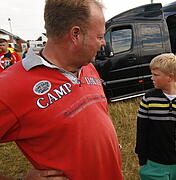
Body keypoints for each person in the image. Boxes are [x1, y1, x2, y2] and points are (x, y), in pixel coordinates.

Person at [0, 0, 123, 180]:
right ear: (75, 35)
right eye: (99, 37)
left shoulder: (88, 66)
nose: (103, 43)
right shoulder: (10, 86)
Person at [135, 53, 176, 180]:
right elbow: (141, 131)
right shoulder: (149, 99)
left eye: (156, 75)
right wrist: (142, 160)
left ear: (170, 77)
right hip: (153, 163)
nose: (151, 78)